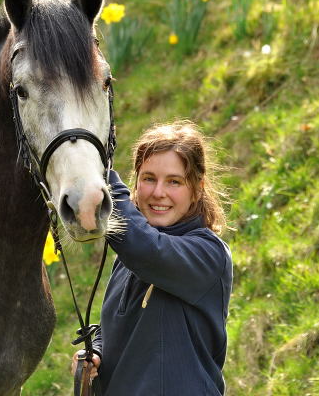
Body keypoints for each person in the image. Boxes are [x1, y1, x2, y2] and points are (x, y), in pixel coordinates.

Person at [71, 120, 232, 395]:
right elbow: (125, 329)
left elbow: (145, 248)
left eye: (174, 181)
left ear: (197, 188)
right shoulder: (128, 258)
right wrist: (97, 351)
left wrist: (101, 177)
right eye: (149, 179)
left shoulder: (208, 254)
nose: (158, 193)